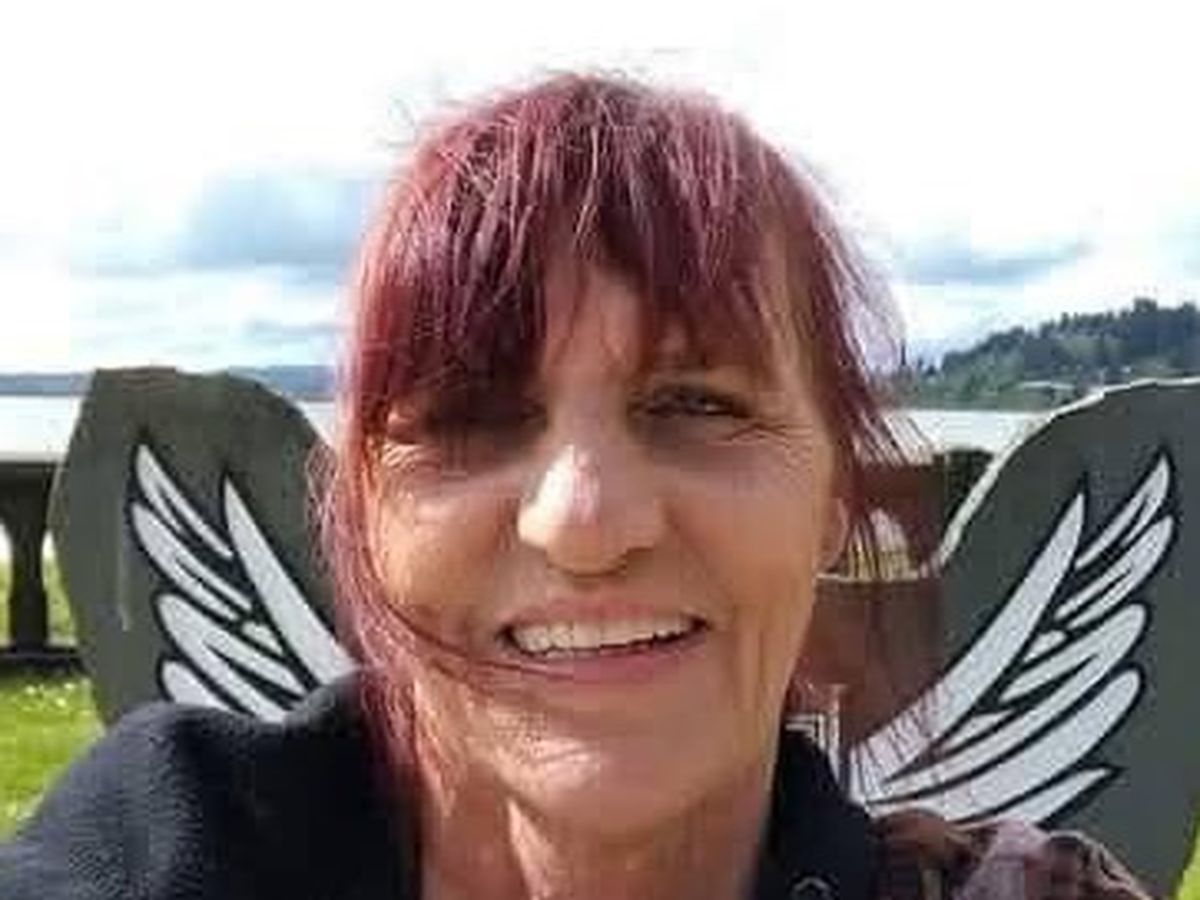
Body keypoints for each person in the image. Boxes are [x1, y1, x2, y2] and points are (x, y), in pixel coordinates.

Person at [0, 73, 1149, 900]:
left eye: (698, 404)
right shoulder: (178, 842)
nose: (584, 523)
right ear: (367, 516)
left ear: (832, 503)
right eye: (467, 418)